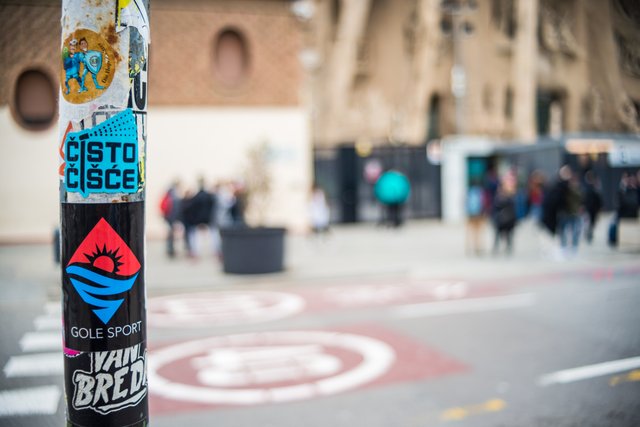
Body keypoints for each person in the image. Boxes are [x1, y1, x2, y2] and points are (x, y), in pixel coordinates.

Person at [182, 177, 214, 257]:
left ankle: (196, 252)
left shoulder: (197, 197)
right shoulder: (208, 196)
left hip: (198, 219)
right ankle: (214, 251)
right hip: (207, 218)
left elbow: (193, 208)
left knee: (196, 237)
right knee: (210, 235)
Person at [491, 180, 517, 255]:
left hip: (507, 220)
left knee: (508, 235)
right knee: (499, 235)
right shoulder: (498, 197)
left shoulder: (508, 197)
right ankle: (498, 248)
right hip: (500, 219)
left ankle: (508, 248)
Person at [159, 180, 182, 258]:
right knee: (171, 235)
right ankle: (171, 251)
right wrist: (176, 219)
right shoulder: (174, 194)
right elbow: (175, 208)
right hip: (171, 218)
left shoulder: (168, 193)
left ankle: (170, 250)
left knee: (170, 234)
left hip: (168, 217)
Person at [466, 179, 487, 255]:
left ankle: (469, 247)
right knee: (479, 231)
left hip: (471, 214)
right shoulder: (480, 192)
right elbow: (483, 203)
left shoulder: (469, 192)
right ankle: (478, 247)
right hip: (479, 214)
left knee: (471, 231)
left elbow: (466, 202)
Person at [582, 170, 602, 244]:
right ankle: (588, 234)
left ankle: (589, 234)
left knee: (592, 223)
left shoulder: (595, 187)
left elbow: (598, 199)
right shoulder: (585, 187)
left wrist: (599, 208)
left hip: (593, 209)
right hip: (588, 209)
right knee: (587, 223)